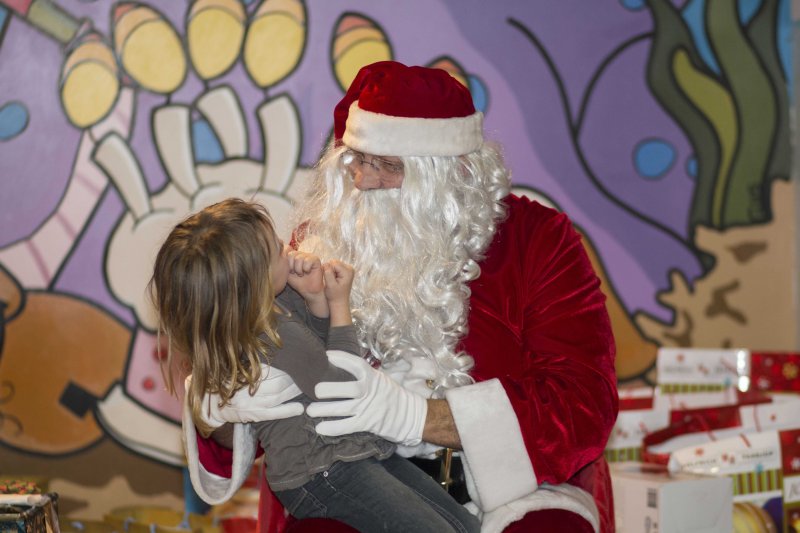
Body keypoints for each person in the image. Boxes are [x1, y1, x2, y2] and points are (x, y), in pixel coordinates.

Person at [186, 61, 619, 533]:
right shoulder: (320, 238)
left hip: (511, 494)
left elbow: (581, 401)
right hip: (354, 476)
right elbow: (272, 414)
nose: (365, 180)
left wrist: (415, 416)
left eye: (389, 166)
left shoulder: (537, 240)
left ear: (453, 173)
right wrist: (221, 402)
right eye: (356, 160)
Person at [151, 198, 481, 533]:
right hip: (322, 472)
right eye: (276, 249)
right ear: (256, 279)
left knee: (464, 525)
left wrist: (315, 300)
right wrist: (339, 304)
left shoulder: (272, 304)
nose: (287, 247)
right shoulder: (272, 331)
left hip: (352, 452)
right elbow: (342, 386)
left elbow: (317, 355)